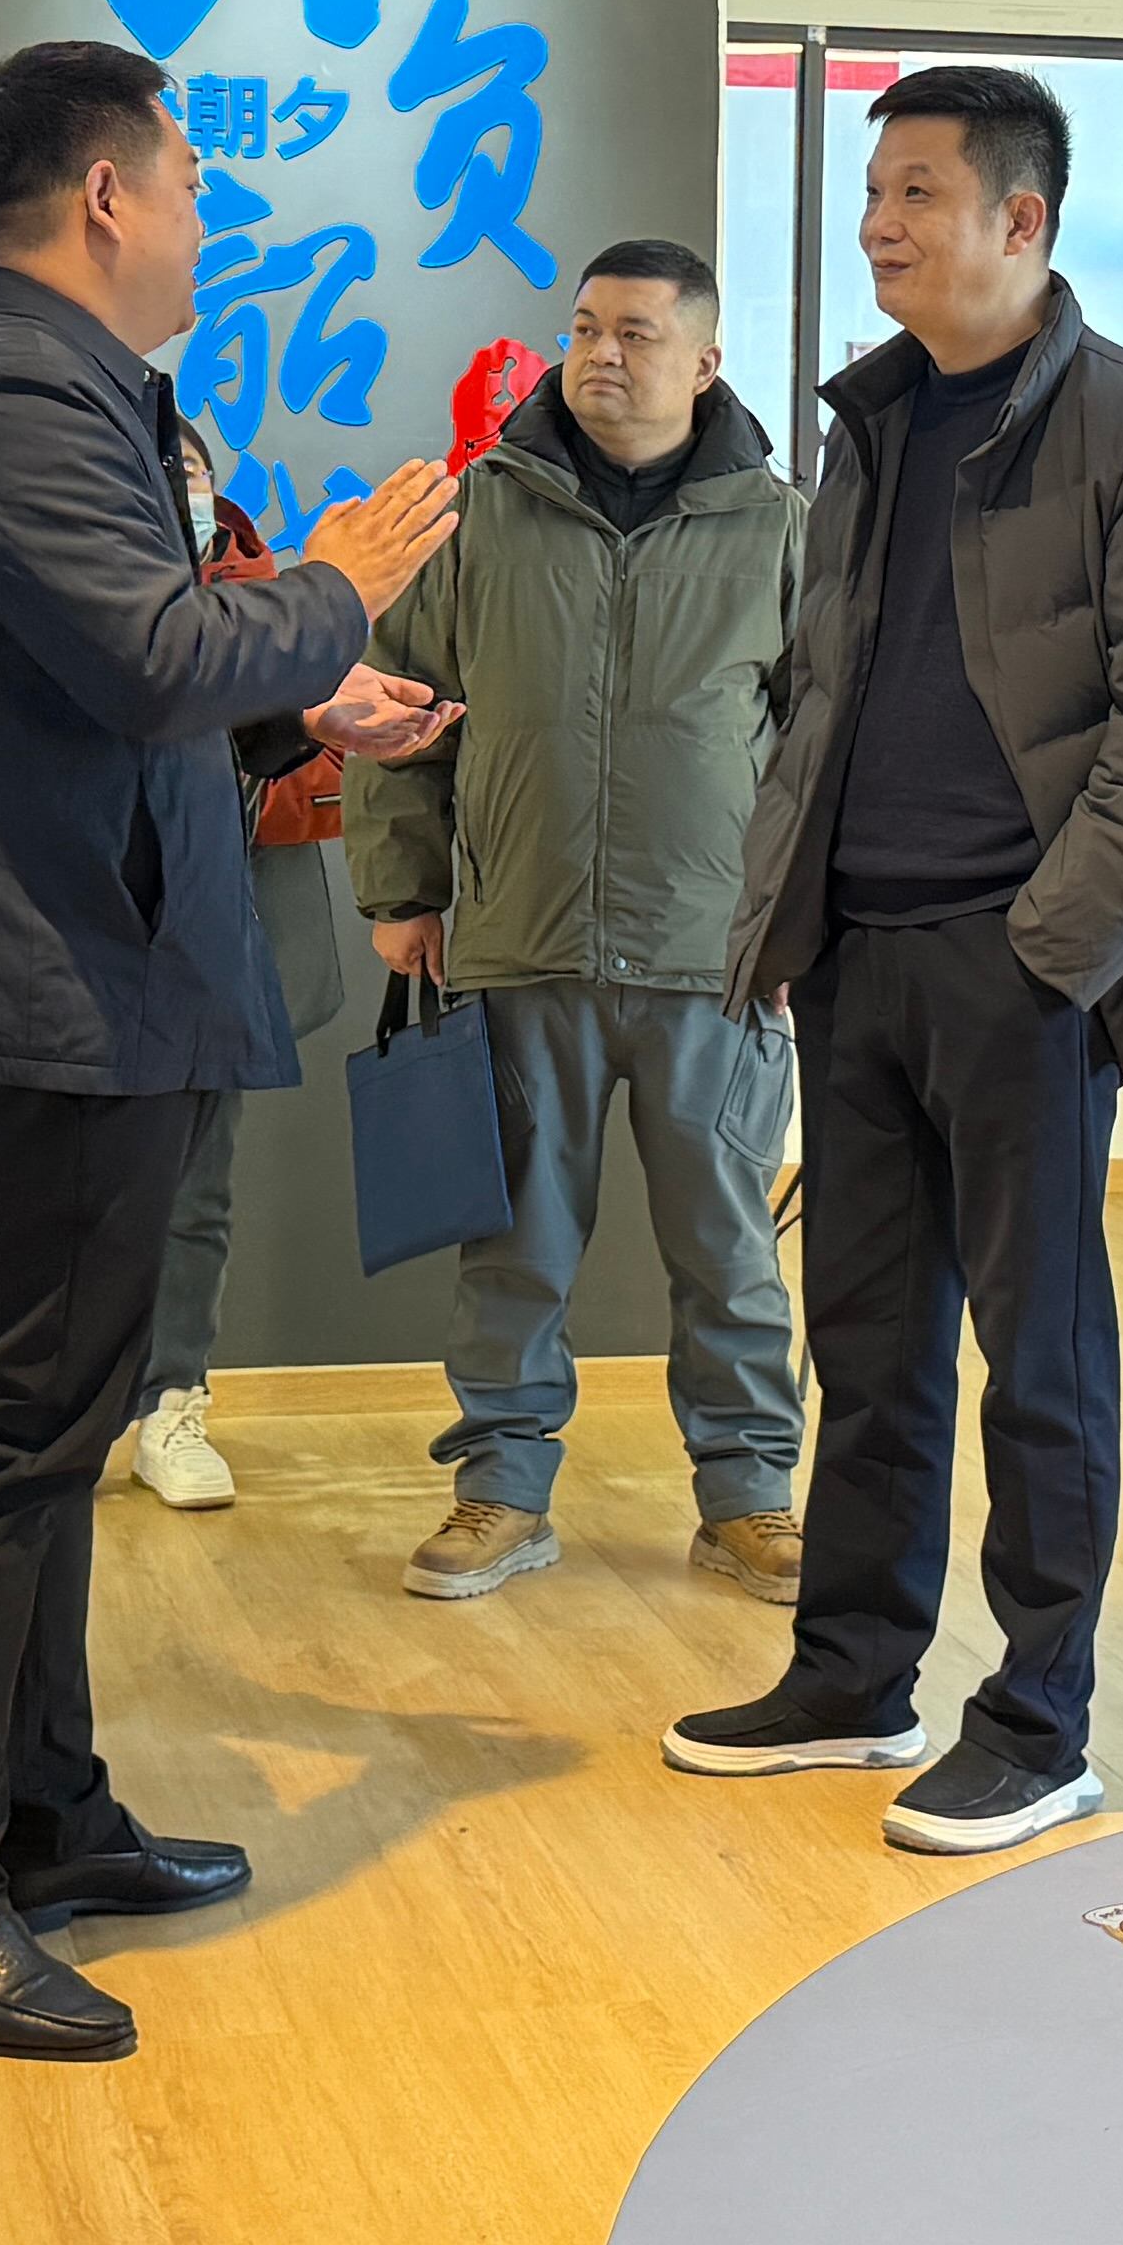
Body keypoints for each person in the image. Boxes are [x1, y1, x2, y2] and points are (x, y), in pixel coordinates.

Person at [0, 39, 463, 2062]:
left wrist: (305, 706)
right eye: (188, 178)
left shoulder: (69, 385)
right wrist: (339, 583)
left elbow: (117, 690)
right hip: (45, 1002)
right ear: (107, 193)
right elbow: (154, 650)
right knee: (8, 1442)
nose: (204, 212)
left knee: (54, 1435)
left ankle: (47, 1814)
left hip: (88, 985)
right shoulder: (11, 391)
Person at [680, 63, 1123, 1857]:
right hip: (856, 953)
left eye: (917, 193)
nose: (878, 224)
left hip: (1026, 961)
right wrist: (784, 915)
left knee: (1039, 1354)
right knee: (867, 1343)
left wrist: (1053, 953)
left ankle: (1040, 1719)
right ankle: (849, 1675)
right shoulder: (873, 424)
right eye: (874, 191)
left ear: (1021, 220)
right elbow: (814, 696)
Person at [350, 237, 814, 1603]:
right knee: (516, 1250)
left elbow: (824, 746)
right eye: (586, 328)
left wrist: (807, 919)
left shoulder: (780, 527)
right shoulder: (483, 515)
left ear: (706, 360)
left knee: (728, 1249)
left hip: (714, 958)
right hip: (521, 938)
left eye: (637, 334)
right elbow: (396, 702)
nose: (603, 355)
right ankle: (500, 1490)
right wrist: (402, 891)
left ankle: (750, 1498)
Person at [112, 419, 359, 1516]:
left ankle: (174, 1401)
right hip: (97, 925)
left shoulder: (272, 601)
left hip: (226, 915)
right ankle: (75, 1406)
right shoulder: (86, 595)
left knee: (199, 1180)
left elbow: (310, 758)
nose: (183, 489)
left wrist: (298, 726)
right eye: (162, 472)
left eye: (194, 472)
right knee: (77, 1181)